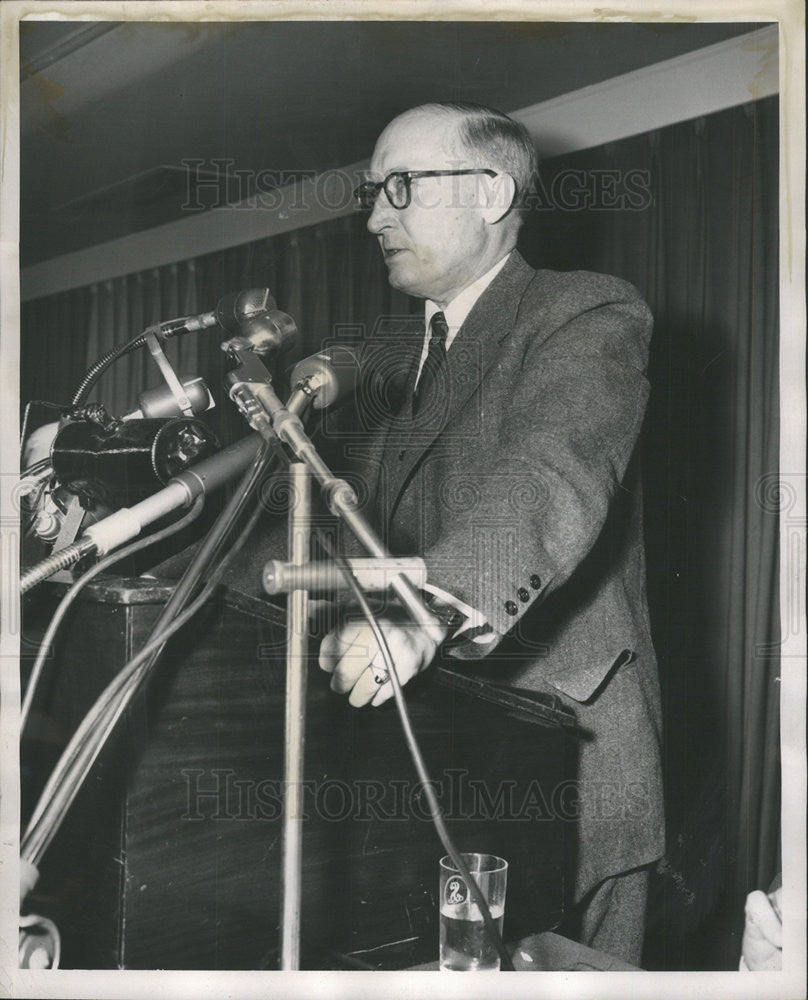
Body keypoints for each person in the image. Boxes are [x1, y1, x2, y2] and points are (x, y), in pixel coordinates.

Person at [317, 102, 664, 966]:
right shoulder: (399, 364)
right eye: (371, 192)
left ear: (491, 191)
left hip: (571, 766)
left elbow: (552, 471)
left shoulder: (582, 311)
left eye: (400, 185)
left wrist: (427, 611)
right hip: (449, 763)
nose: (374, 215)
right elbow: (352, 526)